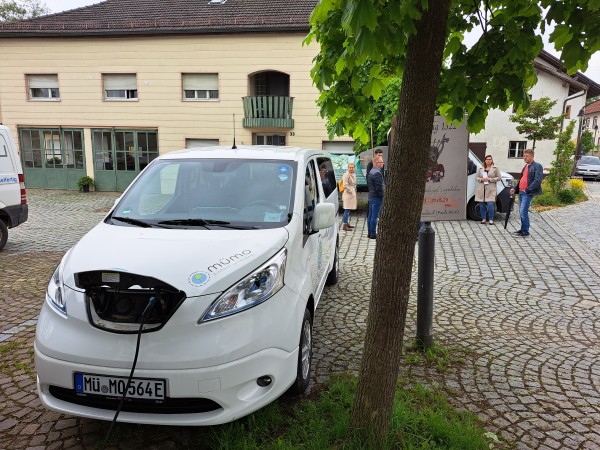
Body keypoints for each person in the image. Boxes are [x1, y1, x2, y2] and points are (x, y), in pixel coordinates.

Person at [510, 148, 543, 237]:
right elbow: (521, 180)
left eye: (527, 156)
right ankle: (522, 229)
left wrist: (528, 189)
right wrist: (515, 189)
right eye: (524, 156)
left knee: (523, 211)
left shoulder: (537, 166)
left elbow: (538, 180)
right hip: (521, 192)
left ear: (532, 156)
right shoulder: (526, 166)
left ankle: (525, 232)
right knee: (521, 212)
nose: (525, 158)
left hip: (527, 193)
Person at [475, 155, 502, 225]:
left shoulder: (495, 168)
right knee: (482, 205)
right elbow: (477, 177)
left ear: (492, 160)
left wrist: (490, 179)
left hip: (491, 189)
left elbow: (499, 177)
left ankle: (490, 219)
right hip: (481, 189)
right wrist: (481, 179)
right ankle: (483, 219)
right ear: (485, 160)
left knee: (490, 205)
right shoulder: (481, 168)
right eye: (487, 159)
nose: (488, 160)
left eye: (490, 159)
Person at [367, 158, 385, 240]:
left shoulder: (371, 171)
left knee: (370, 215)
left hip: (371, 195)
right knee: (374, 215)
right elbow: (379, 187)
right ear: (377, 163)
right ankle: (373, 233)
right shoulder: (377, 173)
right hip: (376, 197)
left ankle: (370, 233)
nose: (383, 163)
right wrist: (382, 196)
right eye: (382, 162)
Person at [341, 162, 357, 231]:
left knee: (349, 209)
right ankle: (344, 224)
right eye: (350, 167)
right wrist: (351, 191)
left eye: (352, 167)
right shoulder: (346, 175)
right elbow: (345, 185)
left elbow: (354, 184)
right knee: (347, 210)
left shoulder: (354, 174)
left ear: (354, 168)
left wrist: (354, 190)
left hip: (352, 194)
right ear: (348, 168)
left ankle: (346, 223)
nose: (351, 169)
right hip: (347, 194)